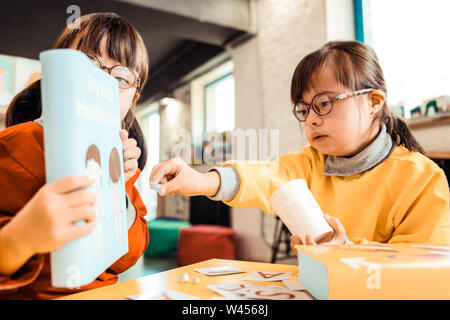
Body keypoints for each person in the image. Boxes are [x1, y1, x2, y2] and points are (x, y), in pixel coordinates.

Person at [149, 41, 450, 253]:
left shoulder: (421, 179)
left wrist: (344, 252)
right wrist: (202, 180)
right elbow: (265, 177)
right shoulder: (310, 163)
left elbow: (423, 262)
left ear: (373, 103)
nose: (311, 121)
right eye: (304, 110)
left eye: (323, 103)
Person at [0, 13, 150, 299]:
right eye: (87, 64)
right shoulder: (10, 146)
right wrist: (22, 236)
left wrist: (123, 187)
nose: (103, 83)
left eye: (121, 77)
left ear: (133, 98)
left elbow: (128, 256)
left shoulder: (124, 160)